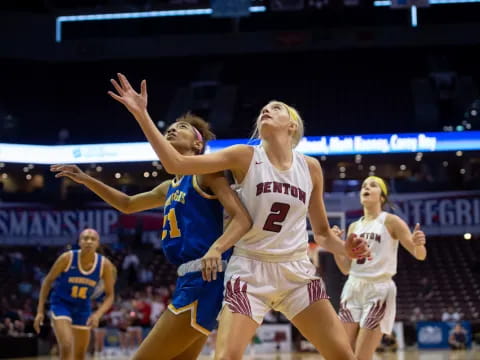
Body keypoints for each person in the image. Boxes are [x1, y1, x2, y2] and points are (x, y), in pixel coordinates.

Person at [107, 73, 371, 360]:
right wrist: (142, 114)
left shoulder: (311, 168)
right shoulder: (244, 156)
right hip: (249, 270)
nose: (267, 110)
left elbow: (320, 233)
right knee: (226, 357)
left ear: (291, 126)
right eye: (264, 109)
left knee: (344, 355)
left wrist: (343, 248)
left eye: (277, 107)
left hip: (296, 270)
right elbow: (177, 163)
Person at [51, 112, 252, 359]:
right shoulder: (169, 187)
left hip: (206, 277)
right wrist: (86, 180)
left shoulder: (206, 174)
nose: (172, 129)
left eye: (183, 127)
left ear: (197, 144)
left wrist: (217, 248)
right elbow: (127, 204)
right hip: (187, 278)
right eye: (171, 127)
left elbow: (242, 218)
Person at [332, 176, 427, 360]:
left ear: (381, 197)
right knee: (340, 352)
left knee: (361, 356)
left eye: (372, 185)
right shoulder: (354, 226)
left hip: (379, 290)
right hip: (352, 286)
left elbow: (419, 254)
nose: (366, 188)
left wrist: (419, 244)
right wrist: (337, 247)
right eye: (364, 186)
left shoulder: (391, 221)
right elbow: (345, 268)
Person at [33, 229, 116, 360]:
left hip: (83, 307)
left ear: (98, 244)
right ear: (79, 242)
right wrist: (40, 311)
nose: (89, 241)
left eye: (93, 239)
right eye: (85, 238)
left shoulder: (104, 265)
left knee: (80, 354)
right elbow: (47, 281)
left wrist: (97, 315)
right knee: (66, 345)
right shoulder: (67, 258)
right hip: (61, 304)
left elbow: (110, 295)